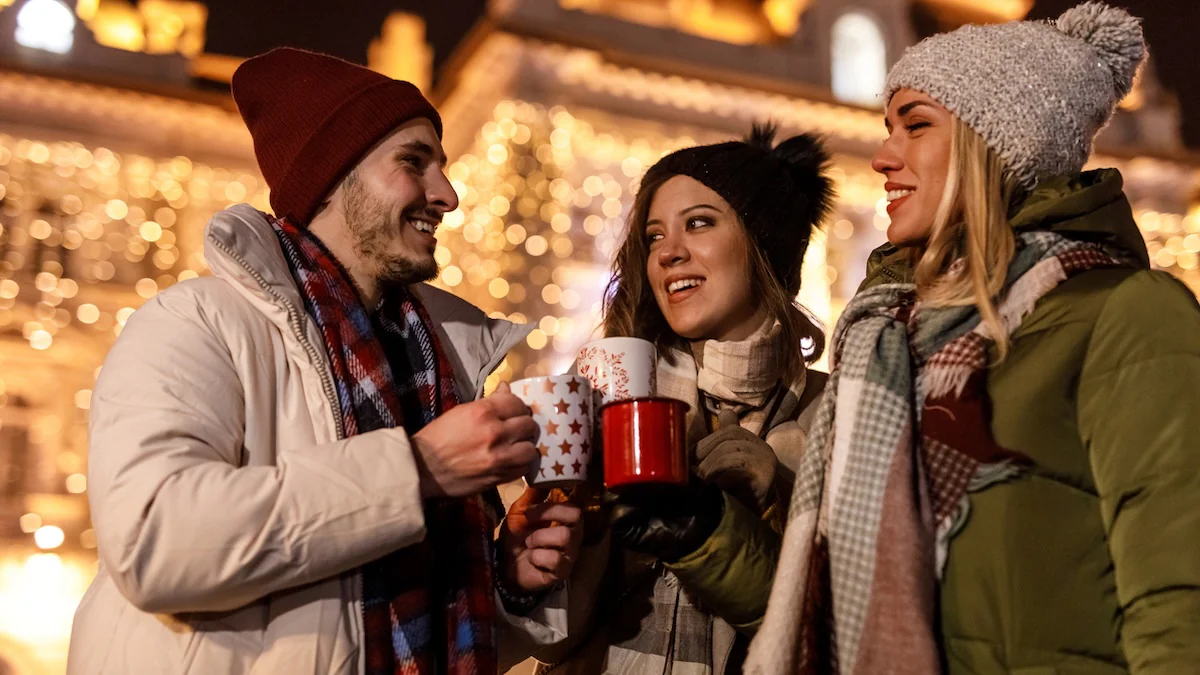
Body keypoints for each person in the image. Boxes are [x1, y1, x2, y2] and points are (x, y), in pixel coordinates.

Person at [67, 48, 580, 675]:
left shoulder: (436, 362)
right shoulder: (196, 322)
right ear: (333, 178)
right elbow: (154, 543)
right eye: (413, 162)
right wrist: (417, 469)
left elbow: (398, 629)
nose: (447, 194)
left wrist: (508, 583)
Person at [746, 4, 1200, 674]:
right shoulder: (887, 339)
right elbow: (820, 607)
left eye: (917, 126)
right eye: (886, 128)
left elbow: (1176, 603)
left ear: (997, 143)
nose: (881, 157)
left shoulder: (1127, 313)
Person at [532, 125, 835, 675]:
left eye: (698, 224)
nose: (668, 253)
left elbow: (846, 630)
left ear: (764, 245)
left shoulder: (834, 412)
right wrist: (570, 522)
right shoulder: (607, 382)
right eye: (652, 236)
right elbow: (547, 638)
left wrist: (780, 499)